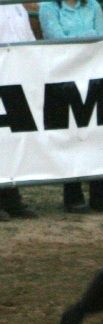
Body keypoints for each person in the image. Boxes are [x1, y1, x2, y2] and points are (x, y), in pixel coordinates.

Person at [39, 0, 103, 213]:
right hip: (64, 77)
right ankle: (73, 193)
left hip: (94, 76)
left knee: (96, 132)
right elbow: (56, 39)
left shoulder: (93, 5)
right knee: (70, 133)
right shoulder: (48, 7)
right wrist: (90, 45)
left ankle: (100, 192)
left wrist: (86, 46)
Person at [0, 4, 39, 221]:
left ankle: (11, 197)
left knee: (11, 139)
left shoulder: (17, 7)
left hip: (15, 77)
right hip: (5, 74)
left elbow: (29, 39)